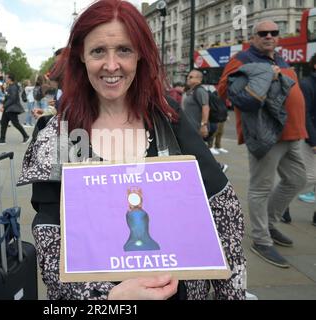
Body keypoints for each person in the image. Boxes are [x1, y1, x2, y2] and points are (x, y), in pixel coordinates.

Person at [17, 0, 246, 300]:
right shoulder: (61, 135)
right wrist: (110, 300)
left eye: (123, 50)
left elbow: (223, 213)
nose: (111, 65)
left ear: (140, 55)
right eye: (98, 51)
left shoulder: (168, 120)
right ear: (81, 57)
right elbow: (51, 243)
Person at [218, 20, 308, 268]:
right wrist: (267, 74)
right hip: (266, 134)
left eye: (274, 32)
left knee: (298, 179)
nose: (269, 36)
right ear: (253, 37)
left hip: (292, 132)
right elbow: (224, 89)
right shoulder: (243, 58)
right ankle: (261, 239)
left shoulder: (280, 59)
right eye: (263, 33)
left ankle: (268, 223)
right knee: (260, 188)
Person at [287, 53, 316, 226]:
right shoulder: (307, 84)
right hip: (311, 139)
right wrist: (313, 141)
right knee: (307, 178)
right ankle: (282, 204)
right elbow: (306, 114)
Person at [0, 74, 30, 145]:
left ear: (10, 79)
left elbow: (12, 99)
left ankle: (26, 136)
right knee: (3, 123)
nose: (5, 79)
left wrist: (4, 106)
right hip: (8, 108)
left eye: (6, 78)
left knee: (15, 123)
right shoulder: (10, 86)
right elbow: (7, 97)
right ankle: (2, 139)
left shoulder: (13, 87)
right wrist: (3, 105)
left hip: (12, 109)